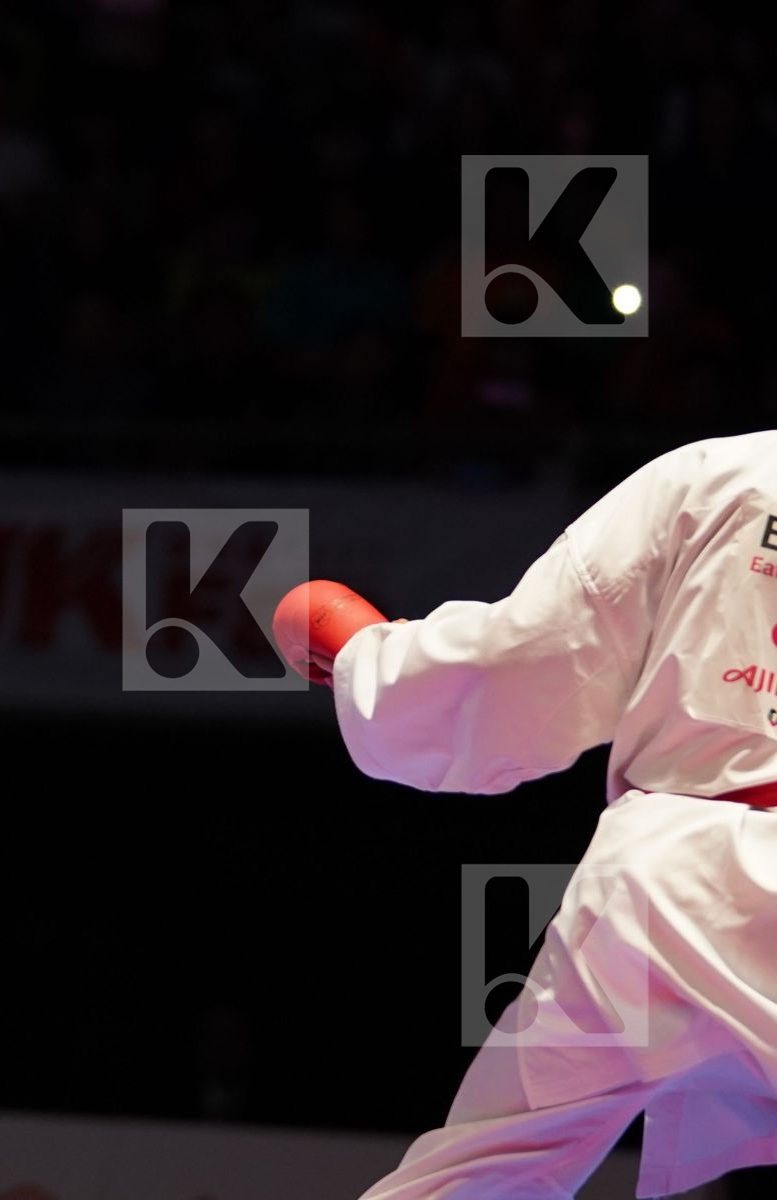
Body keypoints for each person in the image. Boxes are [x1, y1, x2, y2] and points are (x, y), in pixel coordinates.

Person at [273, 431, 777, 1198]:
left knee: (480, 1174)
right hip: (663, 886)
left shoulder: (720, 476)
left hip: (663, 894)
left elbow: (531, 659)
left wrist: (367, 657)